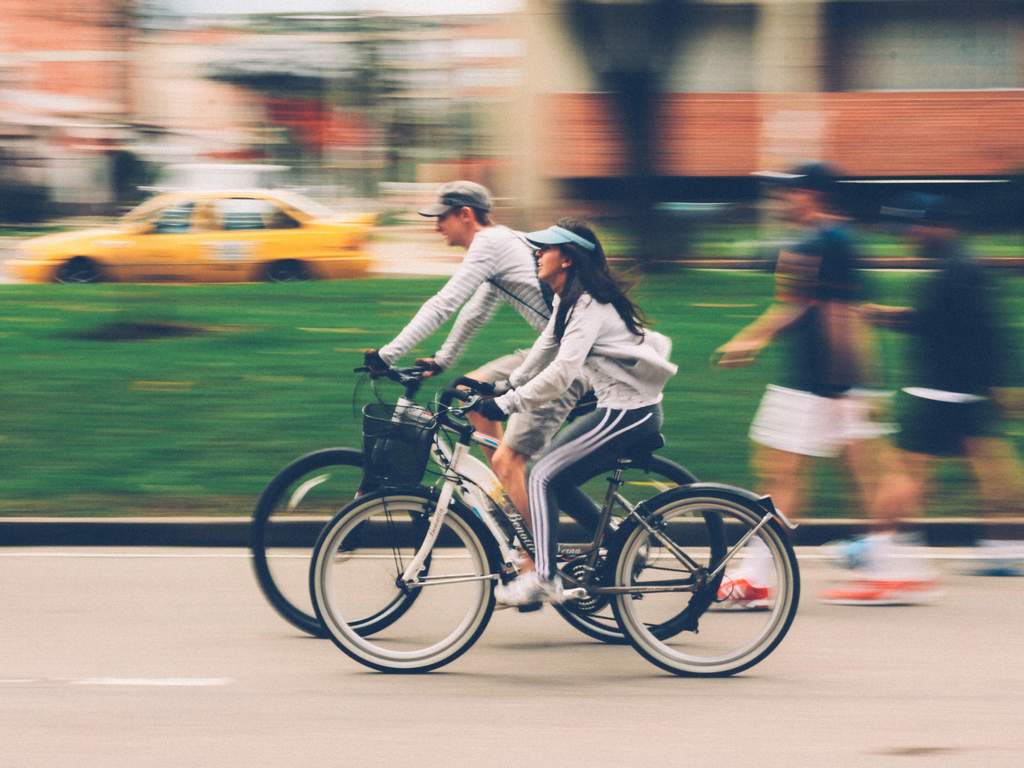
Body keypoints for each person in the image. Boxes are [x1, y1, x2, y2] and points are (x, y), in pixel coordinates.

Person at [826, 193, 1023, 599]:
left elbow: (937, 325)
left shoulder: (955, 269)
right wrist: (996, 386)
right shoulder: (963, 263)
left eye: (914, 227)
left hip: (938, 389)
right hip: (964, 390)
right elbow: (980, 330)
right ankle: (1005, 547)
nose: (909, 235)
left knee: (902, 474)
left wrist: (881, 314)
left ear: (938, 224)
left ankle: (881, 561)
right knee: (993, 467)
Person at [715, 162, 892, 607]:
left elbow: (840, 312)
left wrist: (846, 385)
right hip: (824, 382)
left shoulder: (828, 241)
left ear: (812, 195)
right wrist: (752, 340)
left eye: (790, 192)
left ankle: (760, 577)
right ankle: (887, 567)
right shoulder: (828, 240)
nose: (783, 199)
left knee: (795, 473)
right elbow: (805, 307)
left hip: (822, 383)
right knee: (807, 473)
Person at [477, 220, 677, 605]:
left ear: (566, 259)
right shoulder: (568, 299)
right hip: (618, 410)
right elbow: (545, 347)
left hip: (629, 414)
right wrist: (505, 384)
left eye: (545, 249)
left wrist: (506, 404)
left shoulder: (589, 304)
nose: (537, 254)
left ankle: (545, 577)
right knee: (559, 480)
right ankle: (620, 545)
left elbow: (562, 373)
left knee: (541, 476)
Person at [363, 181, 586, 521]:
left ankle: (533, 554)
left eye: (442, 218)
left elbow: (444, 304)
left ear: (466, 215)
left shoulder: (489, 243)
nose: (436, 226)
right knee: (468, 390)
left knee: (509, 457)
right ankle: (508, 499)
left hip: (571, 359)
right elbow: (475, 312)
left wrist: (387, 355)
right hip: (552, 348)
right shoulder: (500, 244)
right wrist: (442, 360)